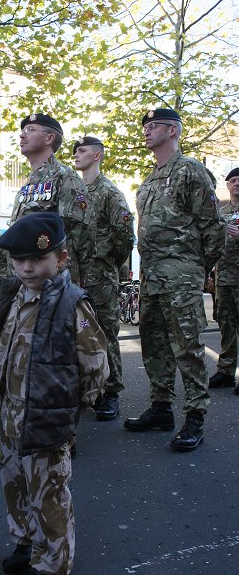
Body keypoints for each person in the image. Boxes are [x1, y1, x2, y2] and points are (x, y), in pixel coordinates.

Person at [0, 212, 108, 575]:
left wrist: (71, 415)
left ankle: (54, 564)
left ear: (61, 259)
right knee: (16, 485)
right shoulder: (14, 296)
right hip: (12, 413)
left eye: (37, 260)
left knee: (48, 492)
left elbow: (95, 365)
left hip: (45, 418)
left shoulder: (71, 303)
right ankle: (27, 541)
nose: (26, 267)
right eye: (19, 260)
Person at [124, 108, 226, 451]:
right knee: (153, 343)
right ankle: (161, 408)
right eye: (145, 126)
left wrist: (196, 268)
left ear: (173, 130)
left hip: (180, 275)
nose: (147, 131)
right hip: (151, 276)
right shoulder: (150, 179)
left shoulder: (191, 171)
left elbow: (214, 227)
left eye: (154, 126)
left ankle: (195, 415)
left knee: (188, 347)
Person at [73, 135, 134, 419]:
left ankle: (111, 392)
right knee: (79, 333)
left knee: (106, 334)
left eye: (82, 150)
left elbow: (124, 235)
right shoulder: (73, 190)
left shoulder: (109, 192)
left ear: (97, 156)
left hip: (101, 276)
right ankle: (88, 388)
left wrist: (106, 260)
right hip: (75, 275)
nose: (76, 154)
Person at [10, 113, 97, 288]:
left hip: (56, 282)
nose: (22, 135)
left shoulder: (66, 177)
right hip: (27, 279)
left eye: (30, 130)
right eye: (23, 130)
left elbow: (82, 236)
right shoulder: (28, 185)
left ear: (49, 138)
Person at [208, 167, 239, 394]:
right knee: (226, 326)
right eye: (233, 181)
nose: (237, 184)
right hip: (224, 279)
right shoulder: (222, 211)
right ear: (227, 185)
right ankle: (226, 371)